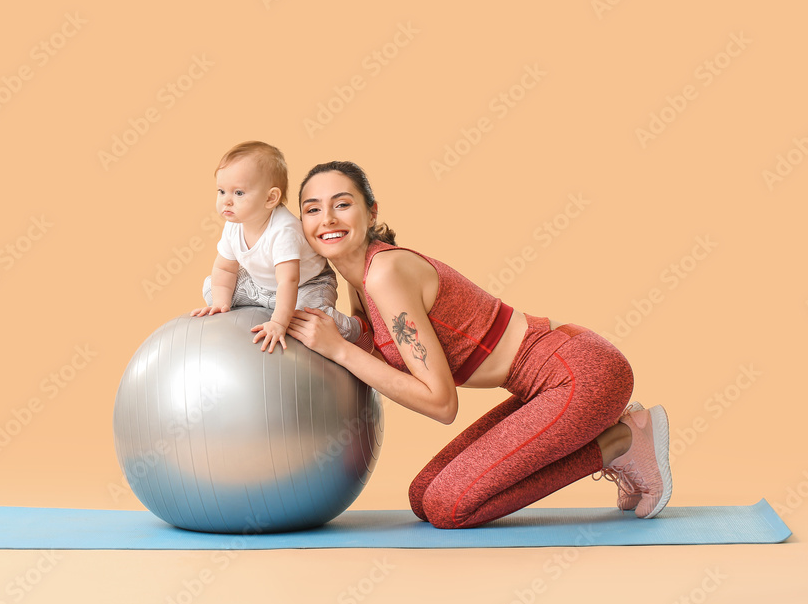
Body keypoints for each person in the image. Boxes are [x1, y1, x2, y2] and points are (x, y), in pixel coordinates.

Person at [286, 161, 673, 529]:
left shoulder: (384, 273)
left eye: (342, 204)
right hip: (542, 385)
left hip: (581, 373)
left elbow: (442, 403)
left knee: (446, 507)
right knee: (423, 497)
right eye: (312, 209)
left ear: (371, 213)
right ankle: (622, 436)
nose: (328, 219)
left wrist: (339, 349)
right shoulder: (360, 282)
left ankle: (624, 441)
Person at [190, 142, 368, 353]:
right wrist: (220, 304)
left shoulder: (284, 230)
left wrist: (279, 323)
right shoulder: (233, 226)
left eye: (238, 193)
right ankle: (269, 308)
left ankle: (356, 330)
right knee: (212, 287)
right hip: (263, 286)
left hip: (306, 284)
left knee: (309, 317)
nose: (226, 201)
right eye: (221, 191)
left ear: (270, 198)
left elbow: (288, 280)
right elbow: (225, 268)